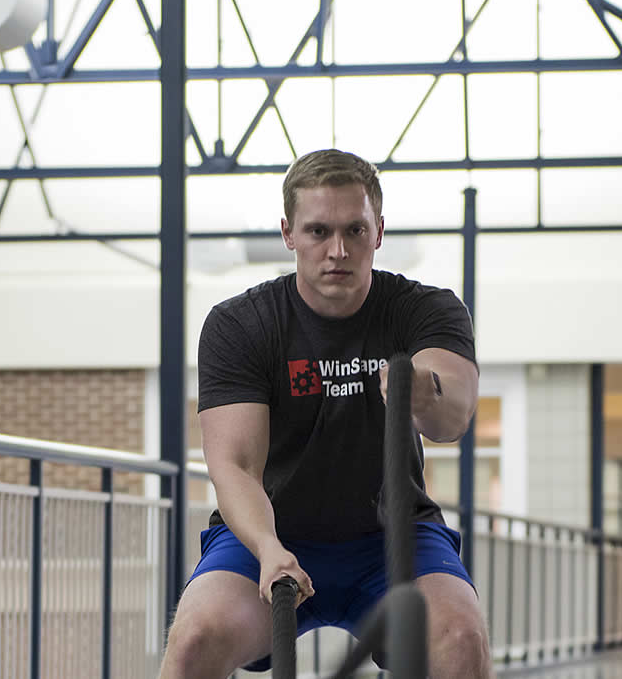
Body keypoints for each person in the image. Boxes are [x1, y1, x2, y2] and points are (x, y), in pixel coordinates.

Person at [159, 149, 492, 678]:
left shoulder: (424, 309)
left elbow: (453, 416)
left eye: (355, 231)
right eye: (318, 232)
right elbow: (235, 467)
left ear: (378, 231)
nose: (338, 250)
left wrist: (422, 392)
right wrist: (268, 549)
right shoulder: (241, 325)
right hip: (270, 533)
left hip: (392, 536)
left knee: (462, 639)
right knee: (195, 638)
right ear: (288, 233)